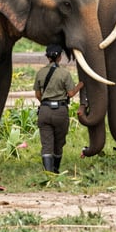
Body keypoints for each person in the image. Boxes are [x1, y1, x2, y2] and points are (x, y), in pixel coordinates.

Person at [33, 44, 84, 173]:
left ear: (47, 57)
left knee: (46, 144)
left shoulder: (40, 72)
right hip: (60, 112)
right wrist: (80, 85)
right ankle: (55, 169)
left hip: (44, 111)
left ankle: (48, 173)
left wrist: (45, 103)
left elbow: (38, 94)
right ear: (60, 57)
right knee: (59, 142)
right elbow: (71, 93)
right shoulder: (64, 73)